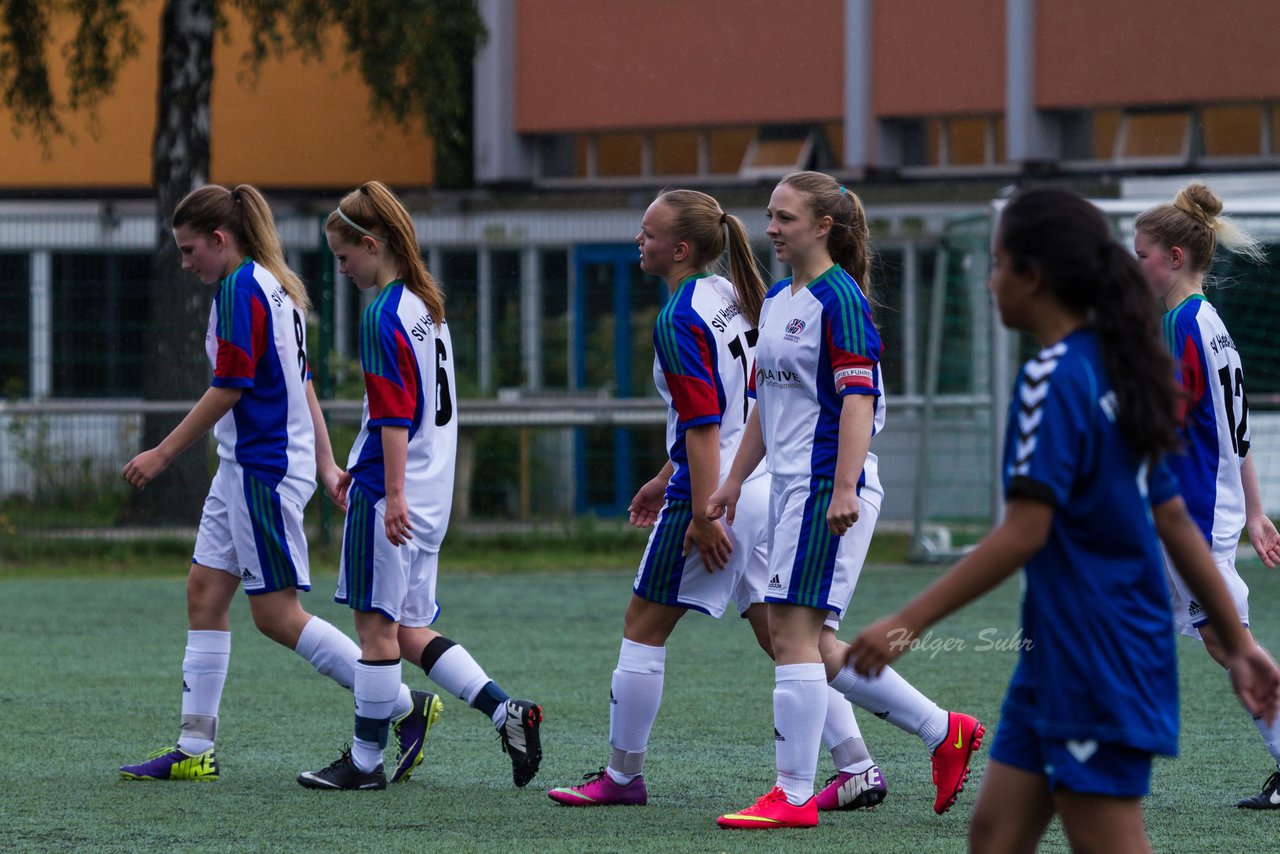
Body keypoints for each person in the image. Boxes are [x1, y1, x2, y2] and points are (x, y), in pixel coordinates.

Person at [848, 186, 1280, 853]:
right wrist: (1240, 639)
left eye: (996, 263)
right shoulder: (1121, 363)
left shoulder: (1058, 377)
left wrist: (906, 624)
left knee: (1107, 840)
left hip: (1096, 652)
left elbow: (1026, 531)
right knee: (992, 835)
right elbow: (1168, 513)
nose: (989, 281)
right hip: (1054, 656)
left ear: (1034, 275)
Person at [547, 189, 886, 812]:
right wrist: (665, 472)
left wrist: (703, 511)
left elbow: (705, 425)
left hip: (721, 489)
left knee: (642, 628)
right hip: (760, 484)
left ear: (680, 248)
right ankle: (858, 764)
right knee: (785, 637)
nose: (637, 241)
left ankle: (624, 775)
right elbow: (734, 408)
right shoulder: (732, 295)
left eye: (647, 233)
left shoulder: (680, 315)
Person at [118, 184, 440, 784]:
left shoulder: (244, 286)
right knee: (204, 594)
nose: (186, 263)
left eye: (190, 251)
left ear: (221, 240)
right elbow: (304, 381)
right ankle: (195, 747)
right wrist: (323, 460)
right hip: (245, 464)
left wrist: (162, 453)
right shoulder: (271, 282)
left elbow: (232, 387)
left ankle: (400, 705)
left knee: (275, 614)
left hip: (262, 469)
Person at [710, 171, 983, 830]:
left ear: (824, 226)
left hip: (825, 486)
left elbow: (857, 400)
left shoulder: (842, 302)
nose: (772, 229)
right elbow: (763, 410)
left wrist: (843, 486)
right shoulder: (779, 299)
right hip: (788, 488)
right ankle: (944, 731)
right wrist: (732, 481)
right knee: (804, 640)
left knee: (795, 636)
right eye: (770, 216)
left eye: (786, 218)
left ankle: (794, 794)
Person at [297, 181, 542, 791]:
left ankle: (364, 762)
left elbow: (395, 413)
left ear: (371, 244)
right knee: (405, 629)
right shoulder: (424, 305)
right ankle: (504, 711)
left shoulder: (383, 312)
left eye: (344, 256)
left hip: (392, 496)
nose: (343, 269)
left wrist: (392, 492)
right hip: (427, 493)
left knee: (375, 633)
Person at [1134, 183, 1280, 809]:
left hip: (1189, 512)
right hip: (1201, 508)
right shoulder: (1207, 321)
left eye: (1138, 253)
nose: (1131, 264)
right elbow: (1230, 426)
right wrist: (1253, 509)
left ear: (1171, 256)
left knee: (1229, 641)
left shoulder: (1179, 325)